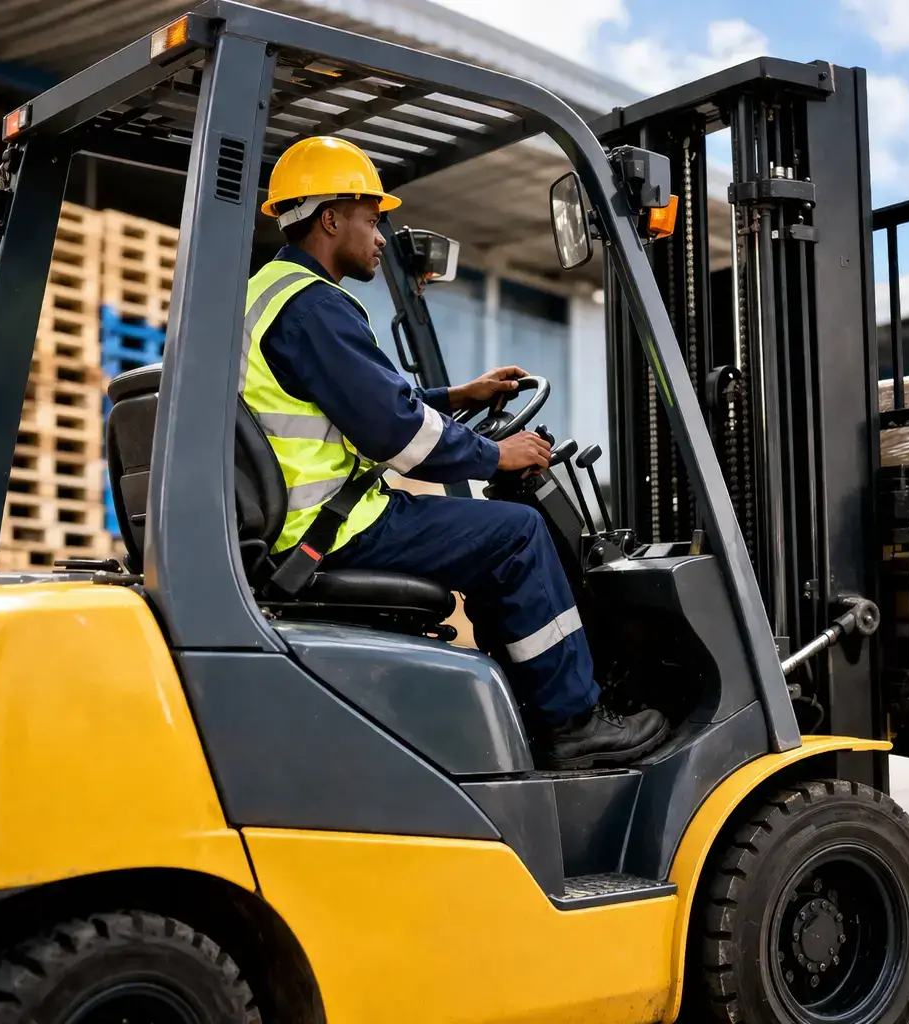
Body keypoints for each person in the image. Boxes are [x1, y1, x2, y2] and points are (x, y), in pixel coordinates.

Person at [244, 135, 669, 769]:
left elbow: (364, 401)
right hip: (330, 530)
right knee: (518, 534)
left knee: (493, 533)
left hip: (303, 523)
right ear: (330, 218)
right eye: (372, 219)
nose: (382, 237)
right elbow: (395, 434)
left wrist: (457, 395)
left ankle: (529, 708)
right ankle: (571, 723)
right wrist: (499, 458)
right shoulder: (314, 309)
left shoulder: (269, 294)